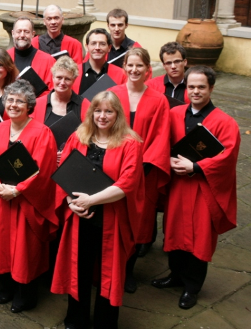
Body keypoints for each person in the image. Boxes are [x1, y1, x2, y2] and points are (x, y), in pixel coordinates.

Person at [52, 90, 144, 329]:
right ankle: (76, 318)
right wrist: (72, 203)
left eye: (109, 111)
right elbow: (66, 176)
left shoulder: (130, 143)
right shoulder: (78, 137)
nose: (102, 116)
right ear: (91, 112)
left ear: (118, 114)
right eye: (98, 111)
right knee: (78, 267)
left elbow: (128, 183)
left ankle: (105, 322)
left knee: (109, 273)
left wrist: (90, 200)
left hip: (111, 217)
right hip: (79, 215)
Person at [152, 66, 240, 310]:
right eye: (191, 86)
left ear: (211, 88)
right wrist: (167, 159)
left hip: (203, 188)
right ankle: (175, 275)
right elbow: (161, 142)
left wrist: (197, 166)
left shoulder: (225, 122)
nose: (195, 91)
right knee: (174, 230)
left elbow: (228, 156)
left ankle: (192, 287)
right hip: (178, 186)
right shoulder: (175, 113)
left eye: (201, 87)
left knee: (199, 236)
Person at [0, 79, 58, 313]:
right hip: (1, 199)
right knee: (1, 245)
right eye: (10, 100)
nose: (13, 105)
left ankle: (25, 295)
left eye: (19, 101)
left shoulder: (42, 133)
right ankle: (4, 289)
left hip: (27, 202)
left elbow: (43, 170)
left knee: (26, 249)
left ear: (29, 105)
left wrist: (18, 189)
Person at [108, 48, 170, 293]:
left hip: (143, 173)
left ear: (148, 70)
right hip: (112, 167)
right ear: (124, 67)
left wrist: (140, 167)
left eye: (139, 66)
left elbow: (161, 137)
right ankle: (108, 268)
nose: (134, 70)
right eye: (130, 65)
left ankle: (128, 271)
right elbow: (102, 126)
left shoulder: (158, 100)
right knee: (112, 220)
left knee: (136, 223)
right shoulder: (113, 94)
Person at [73, 28, 127, 95]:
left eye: (102, 44)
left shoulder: (121, 74)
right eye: (93, 43)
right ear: (87, 47)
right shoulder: (74, 73)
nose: (97, 47)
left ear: (109, 48)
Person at [8, 17, 55, 94]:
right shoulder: (5, 57)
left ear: (33, 34)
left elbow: (52, 91)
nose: (22, 35)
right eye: (19, 31)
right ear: (13, 33)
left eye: (26, 31)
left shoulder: (48, 60)